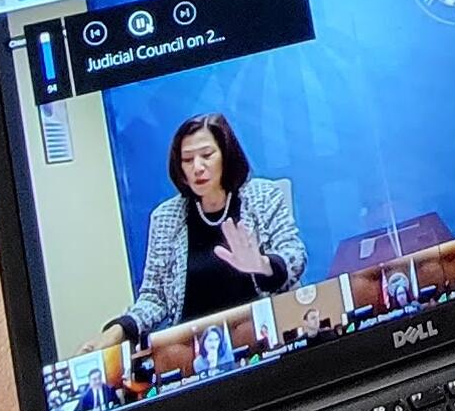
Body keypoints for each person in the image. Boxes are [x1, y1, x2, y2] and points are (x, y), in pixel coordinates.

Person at [85, 113, 305, 352]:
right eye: (187, 160)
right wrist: (119, 330)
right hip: (193, 344)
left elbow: (294, 255)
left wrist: (263, 265)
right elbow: (154, 297)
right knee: (169, 355)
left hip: (257, 330)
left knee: (247, 333)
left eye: (207, 155)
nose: (197, 168)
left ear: (226, 155)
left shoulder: (263, 196)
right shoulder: (165, 217)